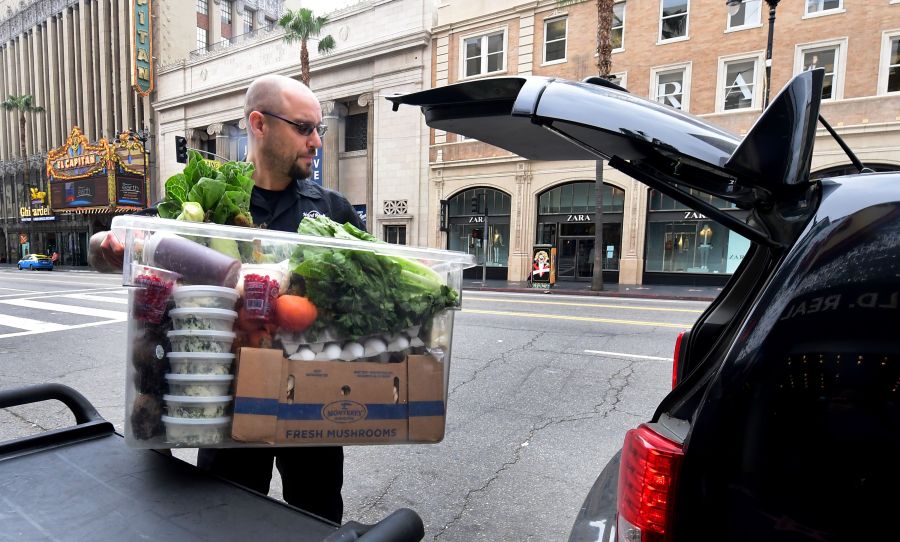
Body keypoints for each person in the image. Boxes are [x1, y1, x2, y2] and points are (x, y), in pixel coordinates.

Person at [89, 74, 363, 522]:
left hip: (309, 399)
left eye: (319, 129)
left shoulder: (332, 209)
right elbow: (114, 247)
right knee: (222, 518)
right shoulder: (202, 202)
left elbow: (368, 288)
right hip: (222, 399)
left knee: (317, 516)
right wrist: (107, 245)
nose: (316, 141)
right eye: (303, 128)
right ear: (259, 123)